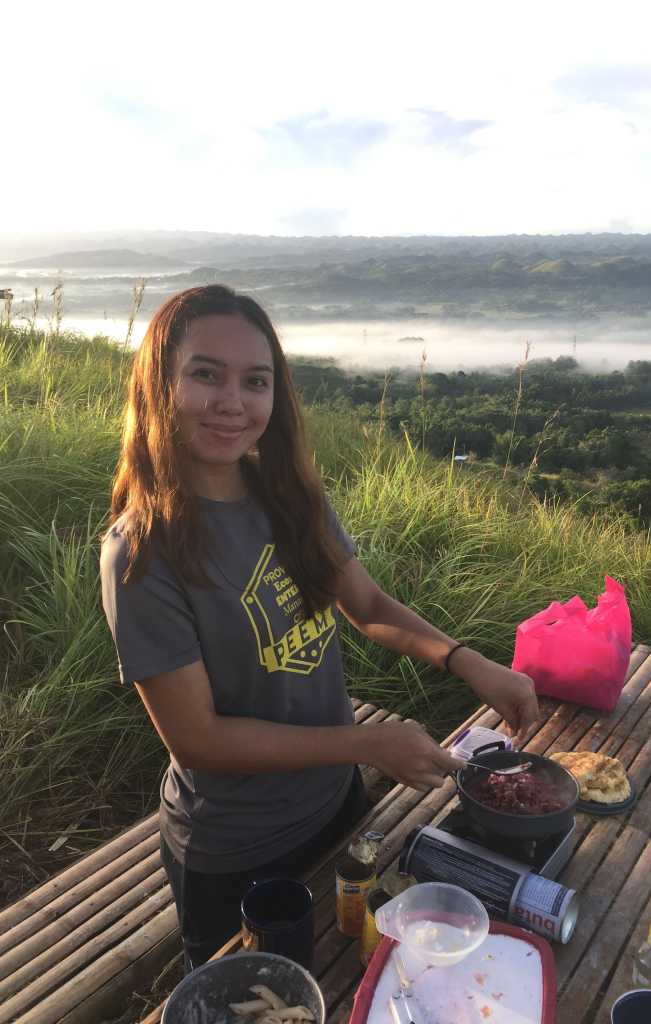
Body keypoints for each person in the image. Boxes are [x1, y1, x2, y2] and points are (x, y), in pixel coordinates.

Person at [100, 284, 538, 970]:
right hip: (238, 850)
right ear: (160, 385)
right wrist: (367, 742)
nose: (233, 401)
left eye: (256, 381)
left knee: (352, 973)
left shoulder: (289, 500)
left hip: (337, 805)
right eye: (206, 374)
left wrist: (468, 662)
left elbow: (368, 606)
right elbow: (199, 740)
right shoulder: (143, 553)